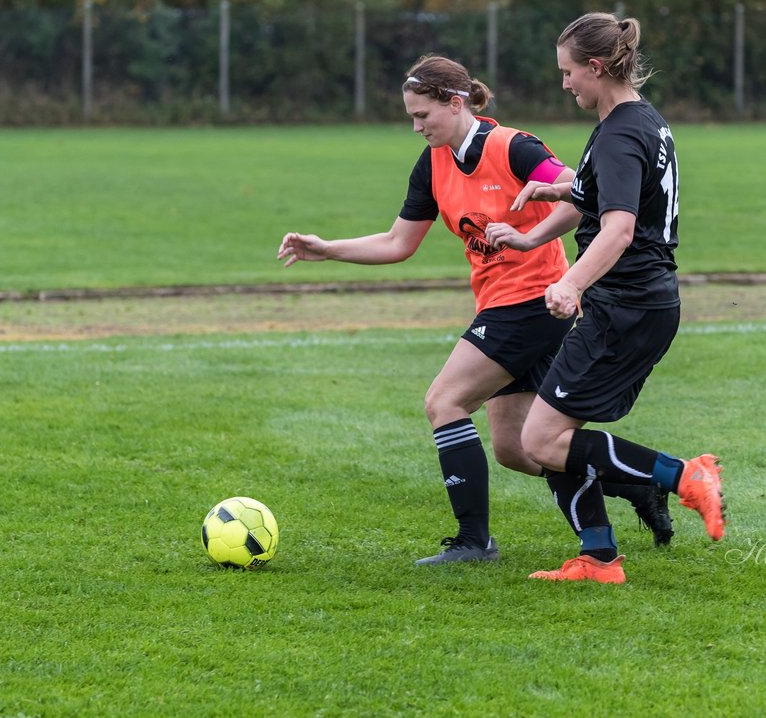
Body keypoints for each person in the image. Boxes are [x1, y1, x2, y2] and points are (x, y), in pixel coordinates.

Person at [277, 54, 674, 566]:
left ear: (455, 103)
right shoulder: (434, 163)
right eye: (411, 118)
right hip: (503, 304)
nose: (416, 126)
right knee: (518, 447)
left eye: (423, 115)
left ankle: (473, 542)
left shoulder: (513, 146)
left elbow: (580, 192)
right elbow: (399, 242)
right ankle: (632, 484)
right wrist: (326, 248)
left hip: (534, 300)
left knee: (444, 401)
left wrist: (534, 242)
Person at [484, 13, 726, 584]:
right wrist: (541, 217)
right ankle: (597, 557)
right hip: (642, 302)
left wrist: (571, 282)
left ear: (596, 67)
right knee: (554, 438)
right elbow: (606, 193)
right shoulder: (642, 120)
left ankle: (682, 476)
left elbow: (618, 227)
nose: (564, 83)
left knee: (540, 439)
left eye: (569, 73)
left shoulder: (618, 133)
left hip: (626, 304)